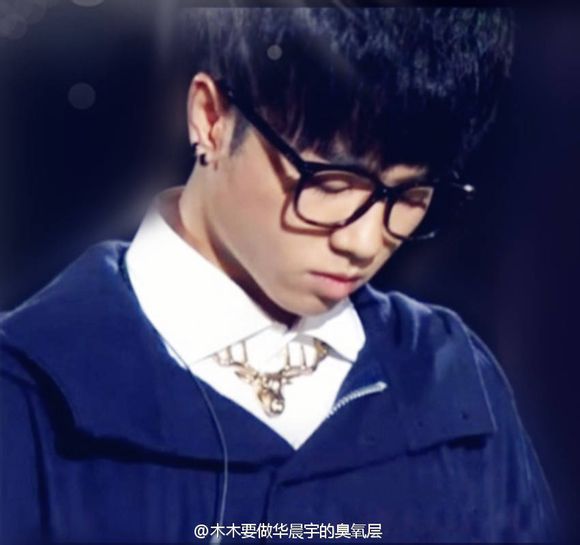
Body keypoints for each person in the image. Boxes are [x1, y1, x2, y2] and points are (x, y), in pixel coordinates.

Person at [0, 5, 558, 544]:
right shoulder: (29, 393)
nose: (363, 243)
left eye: (409, 194)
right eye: (329, 182)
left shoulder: (454, 379)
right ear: (211, 119)